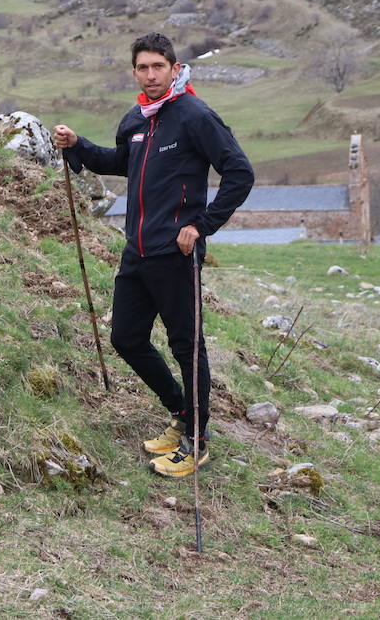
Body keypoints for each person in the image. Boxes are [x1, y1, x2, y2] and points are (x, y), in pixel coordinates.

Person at [53, 32, 253, 477]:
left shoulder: (195, 116)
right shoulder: (137, 119)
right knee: (126, 338)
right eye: (142, 67)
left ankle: (197, 442)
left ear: (175, 69)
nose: (150, 74)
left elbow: (240, 173)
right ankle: (182, 414)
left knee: (187, 347)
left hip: (176, 253)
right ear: (134, 72)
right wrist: (78, 145)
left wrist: (200, 226)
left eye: (158, 67)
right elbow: (121, 161)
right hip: (137, 250)